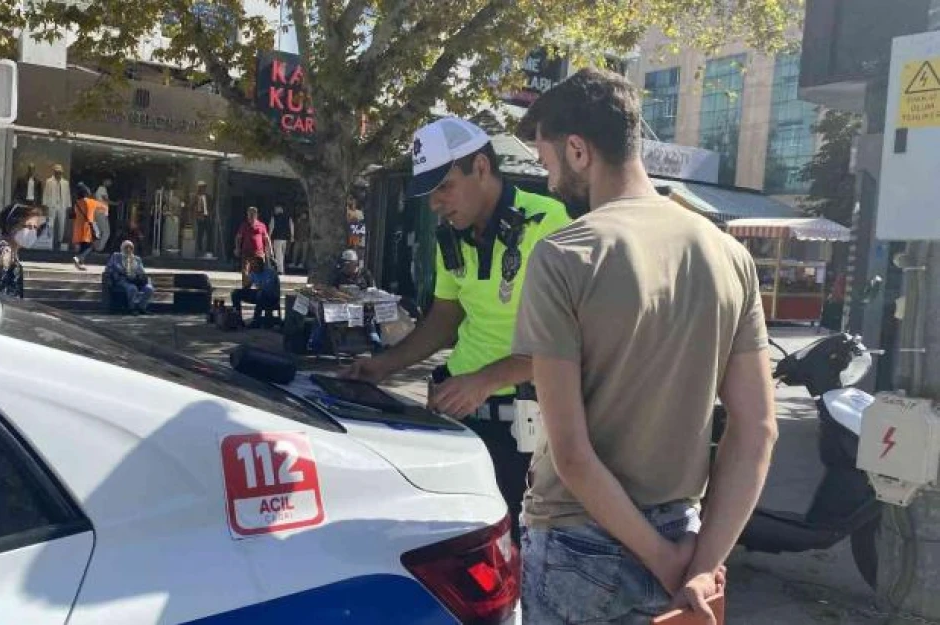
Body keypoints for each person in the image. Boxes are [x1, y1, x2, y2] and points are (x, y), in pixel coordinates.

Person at [511, 68, 777, 625]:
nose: (548, 177)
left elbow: (573, 455)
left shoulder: (564, 255)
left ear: (578, 150)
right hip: (684, 536)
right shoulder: (729, 255)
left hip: (578, 543)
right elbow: (757, 430)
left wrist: (664, 562)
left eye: (547, 161)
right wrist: (701, 566)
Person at [343, 116, 571, 543]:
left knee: (519, 551)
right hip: (460, 415)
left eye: (443, 187)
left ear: (481, 168)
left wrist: (486, 380)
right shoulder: (451, 238)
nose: (434, 205)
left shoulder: (550, 224)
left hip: (527, 427)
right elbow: (445, 319)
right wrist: (382, 365)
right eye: (429, 193)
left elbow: (574, 342)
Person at [104, 240, 155, 315]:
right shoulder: (116, 256)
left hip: (136, 280)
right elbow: (108, 268)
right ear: (122, 248)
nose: (128, 249)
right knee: (132, 288)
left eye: (130, 247)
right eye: (126, 247)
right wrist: (118, 271)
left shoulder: (137, 259)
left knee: (149, 289)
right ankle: (132, 308)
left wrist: (138, 275)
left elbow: (142, 271)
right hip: (123, 279)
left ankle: (142, 307)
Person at [231, 256, 281, 329]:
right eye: (252, 266)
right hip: (259, 294)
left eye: (255, 266)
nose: (253, 268)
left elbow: (270, 289)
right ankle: (238, 318)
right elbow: (248, 286)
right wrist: (242, 290)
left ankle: (256, 321)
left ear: (261, 265)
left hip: (271, 297)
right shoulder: (253, 273)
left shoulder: (270, 273)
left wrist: (259, 292)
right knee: (236, 293)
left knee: (261, 295)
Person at [234, 206, 273, 287]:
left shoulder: (261, 225)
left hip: (259, 253)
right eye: (250, 213)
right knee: (245, 271)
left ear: (256, 215)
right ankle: (246, 289)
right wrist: (237, 248)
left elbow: (266, 238)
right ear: (247, 214)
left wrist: (270, 250)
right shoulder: (244, 225)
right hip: (246, 253)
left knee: (259, 272)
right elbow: (238, 237)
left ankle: (259, 290)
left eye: (253, 213)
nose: (251, 215)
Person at [72, 183, 105, 271]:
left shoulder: (77, 203)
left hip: (78, 226)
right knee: (90, 245)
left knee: (83, 245)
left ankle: (80, 264)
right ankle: (79, 258)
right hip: (87, 226)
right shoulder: (91, 202)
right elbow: (103, 207)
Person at [268, 205, 294, 274]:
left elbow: (271, 227)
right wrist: (292, 236)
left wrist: (269, 236)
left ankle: (280, 270)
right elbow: (291, 226)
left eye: (275, 209)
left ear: (278, 210)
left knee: (278, 254)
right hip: (285, 238)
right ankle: (282, 269)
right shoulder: (288, 217)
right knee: (282, 254)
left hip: (277, 238)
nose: (275, 211)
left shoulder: (274, 217)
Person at [93, 178, 113, 252]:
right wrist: (115, 203)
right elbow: (105, 199)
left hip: (99, 212)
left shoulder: (99, 189)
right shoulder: (102, 188)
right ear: (104, 181)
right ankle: (99, 248)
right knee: (106, 232)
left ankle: (96, 246)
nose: (110, 183)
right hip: (101, 212)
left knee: (100, 232)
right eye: (109, 181)